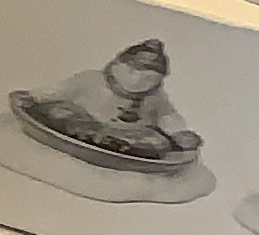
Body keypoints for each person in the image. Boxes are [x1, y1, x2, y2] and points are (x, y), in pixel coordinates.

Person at [21, 40, 200, 160]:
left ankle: (121, 151)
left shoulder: (156, 98)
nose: (137, 81)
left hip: (128, 136)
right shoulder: (91, 79)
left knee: (158, 144)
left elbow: (167, 115)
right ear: (117, 65)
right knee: (59, 112)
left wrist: (179, 133)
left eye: (148, 78)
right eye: (131, 71)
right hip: (82, 122)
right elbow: (61, 90)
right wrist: (34, 96)